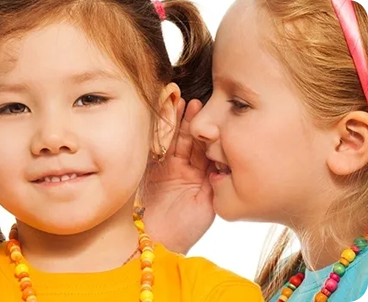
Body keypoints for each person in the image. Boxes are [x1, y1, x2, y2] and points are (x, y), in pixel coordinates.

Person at [0, 0, 264, 301]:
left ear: (162, 119)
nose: (53, 138)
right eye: (13, 107)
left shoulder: (218, 294)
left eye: (89, 99)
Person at [144, 0, 368, 301]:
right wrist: (160, 241)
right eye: (213, 92)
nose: (200, 123)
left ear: (348, 143)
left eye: (239, 104)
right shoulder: (284, 288)